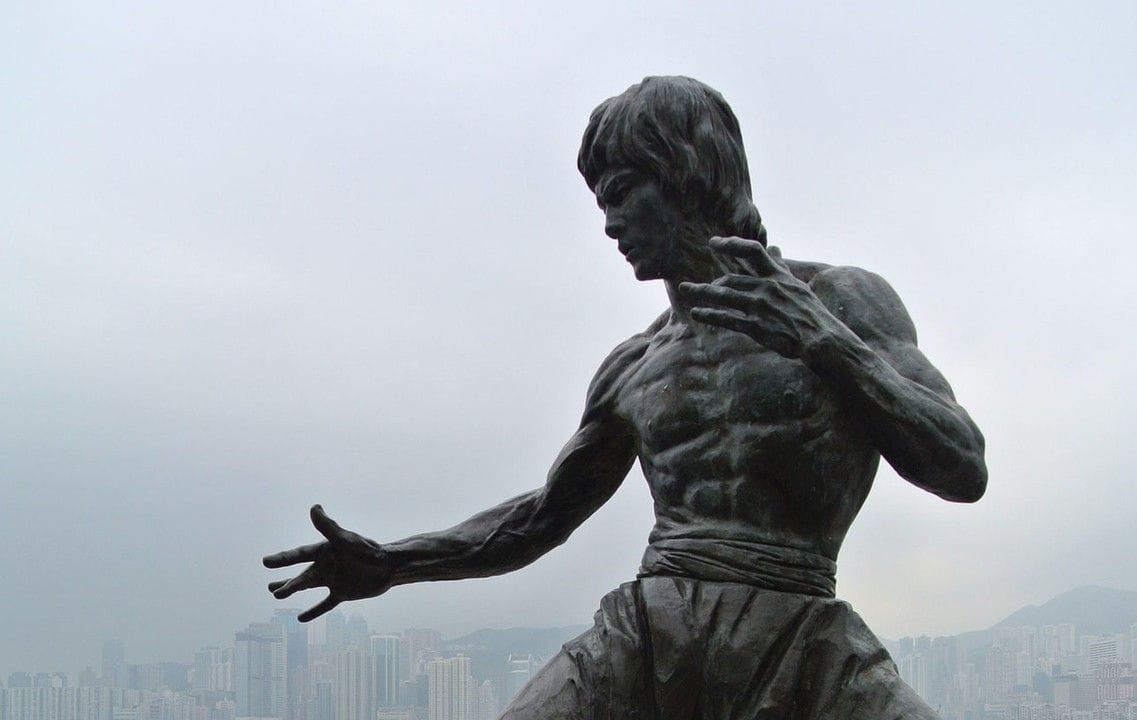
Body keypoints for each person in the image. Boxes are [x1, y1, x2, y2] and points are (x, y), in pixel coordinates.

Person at [264, 76, 986, 719]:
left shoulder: (840, 303)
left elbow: (960, 466)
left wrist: (823, 341)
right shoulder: (635, 366)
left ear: (685, 174)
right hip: (648, 633)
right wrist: (395, 562)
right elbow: (538, 519)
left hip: (804, 638)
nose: (607, 224)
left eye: (620, 194)